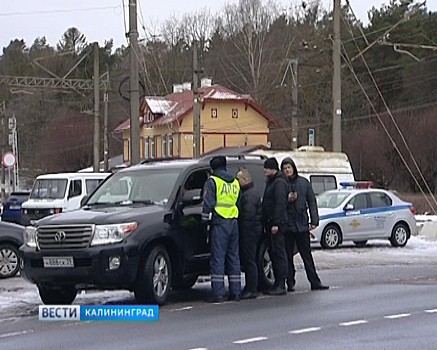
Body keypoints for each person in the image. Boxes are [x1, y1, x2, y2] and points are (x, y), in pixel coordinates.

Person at [281, 157, 329, 291]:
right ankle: (290, 282)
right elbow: (276, 203)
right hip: (288, 225)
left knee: (306, 255)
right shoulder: (281, 184)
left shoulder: (303, 182)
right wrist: (286, 199)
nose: (287, 170)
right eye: (284, 168)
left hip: (302, 224)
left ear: (293, 168)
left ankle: (315, 282)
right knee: (287, 256)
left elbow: (311, 201)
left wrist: (314, 220)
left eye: (289, 167)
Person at [202, 156, 241, 303]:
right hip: (234, 222)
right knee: (233, 257)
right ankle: (235, 292)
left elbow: (208, 203)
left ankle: (218, 293)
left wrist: (204, 222)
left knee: (218, 258)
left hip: (219, 222)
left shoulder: (213, 181)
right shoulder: (235, 182)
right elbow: (239, 201)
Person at [261, 157, 289, 296]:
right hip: (270, 222)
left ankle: (281, 283)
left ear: (273, 168)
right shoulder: (271, 181)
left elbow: (279, 204)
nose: (264, 170)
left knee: (279, 253)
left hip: (277, 224)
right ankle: (277, 282)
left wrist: (276, 223)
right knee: (273, 253)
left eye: (266, 168)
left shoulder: (279, 183)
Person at [236, 169, 262, 299]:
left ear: (245, 179)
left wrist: (243, 232)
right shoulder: (248, 192)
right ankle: (250, 287)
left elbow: (248, 217)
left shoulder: (249, 195)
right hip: (251, 230)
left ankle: (252, 289)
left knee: (250, 260)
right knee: (249, 260)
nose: (237, 182)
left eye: (238, 179)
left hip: (249, 232)